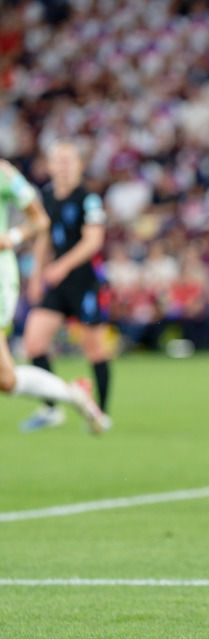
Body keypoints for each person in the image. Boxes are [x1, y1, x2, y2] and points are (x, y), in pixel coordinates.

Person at [0, 159, 108, 434]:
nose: (63, 167)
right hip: (54, 281)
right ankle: (64, 399)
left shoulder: (4, 174)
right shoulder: (50, 195)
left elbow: (41, 221)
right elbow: (46, 235)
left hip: (78, 280)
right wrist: (38, 274)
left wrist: (12, 237)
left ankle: (98, 409)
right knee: (12, 372)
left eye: (67, 160)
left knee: (93, 347)